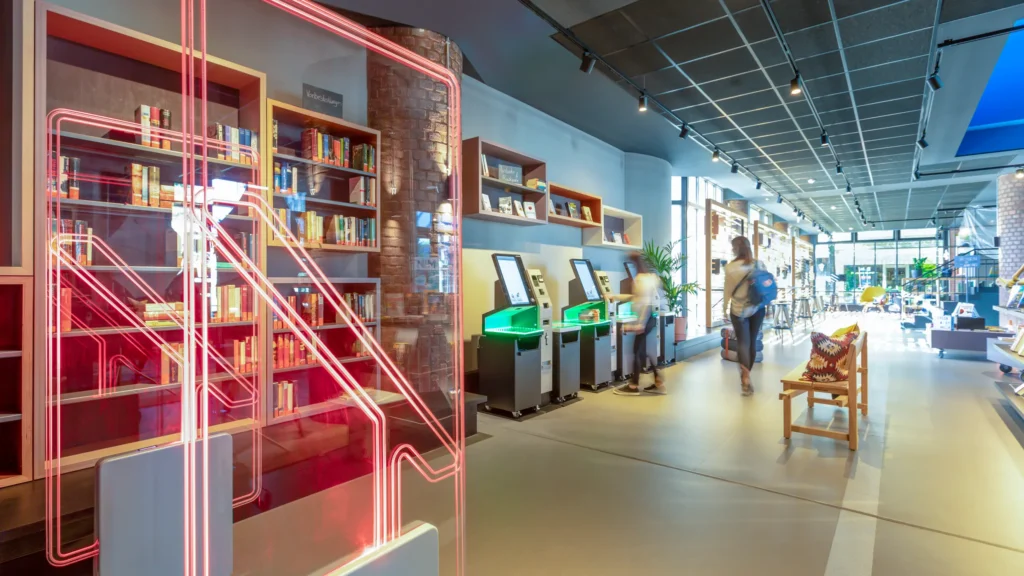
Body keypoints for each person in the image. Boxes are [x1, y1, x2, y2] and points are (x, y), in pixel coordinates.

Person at [614, 252, 666, 396]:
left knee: (637, 351)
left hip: (645, 319)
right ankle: (658, 381)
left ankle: (633, 386)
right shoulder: (651, 278)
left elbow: (644, 303)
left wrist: (639, 325)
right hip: (651, 318)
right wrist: (614, 296)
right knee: (644, 351)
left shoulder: (640, 280)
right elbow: (639, 298)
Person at [723, 236, 766, 396]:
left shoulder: (730, 267)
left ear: (735, 248)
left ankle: (745, 377)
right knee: (752, 342)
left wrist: (724, 308)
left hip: (738, 310)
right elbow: (766, 284)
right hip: (757, 308)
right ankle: (747, 374)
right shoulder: (758, 264)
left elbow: (727, 290)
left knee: (742, 343)